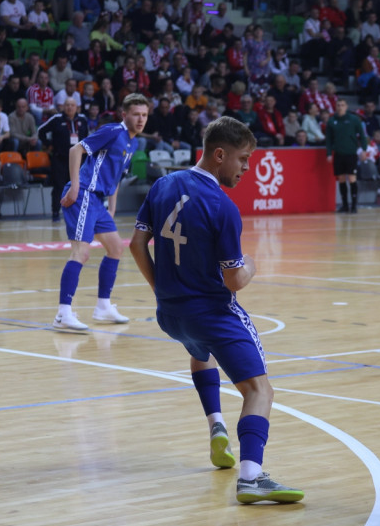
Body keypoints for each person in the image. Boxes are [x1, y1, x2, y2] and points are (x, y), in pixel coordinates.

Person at [128, 116, 304, 504]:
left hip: (170, 315)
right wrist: (254, 265)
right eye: (242, 159)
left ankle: (216, 426)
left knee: (199, 350)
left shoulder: (162, 185)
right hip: (212, 313)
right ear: (219, 154)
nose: (246, 168)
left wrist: (163, 290)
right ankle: (252, 477)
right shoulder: (222, 206)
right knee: (260, 390)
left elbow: (137, 245)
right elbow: (235, 281)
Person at [52, 93, 148, 332]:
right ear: (124, 115)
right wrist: (74, 187)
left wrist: (112, 207)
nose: (140, 119)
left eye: (144, 115)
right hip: (83, 193)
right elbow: (76, 150)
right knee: (80, 253)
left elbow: (115, 177)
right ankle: (63, 314)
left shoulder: (132, 142)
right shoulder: (113, 131)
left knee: (116, 248)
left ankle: (103, 307)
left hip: (98, 201)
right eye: (136, 114)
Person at [38, 97, 89, 222]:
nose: (69, 107)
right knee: (59, 186)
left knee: (77, 186)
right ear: (63, 107)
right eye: (67, 105)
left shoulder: (82, 119)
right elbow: (41, 131)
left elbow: (87, 137)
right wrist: (49, 143)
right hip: (60, 159)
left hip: (78, 160)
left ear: (76, 107)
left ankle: (77, 214)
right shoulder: (56, 119)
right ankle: (56, 212)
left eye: (72, 105)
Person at [325, 98, 367, 214]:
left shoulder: (354, 120)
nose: (340, 107)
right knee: (341, 179)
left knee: (352, 178)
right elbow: (328, 139)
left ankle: (354, 205)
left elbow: (362, 136)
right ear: (335, 107)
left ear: (346, 106)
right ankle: (344, 205)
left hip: (351, 154)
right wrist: (329, 153)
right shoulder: (332, 121)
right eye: (338, 105)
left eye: (342, 105)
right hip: (338, 154)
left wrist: (364, 150)